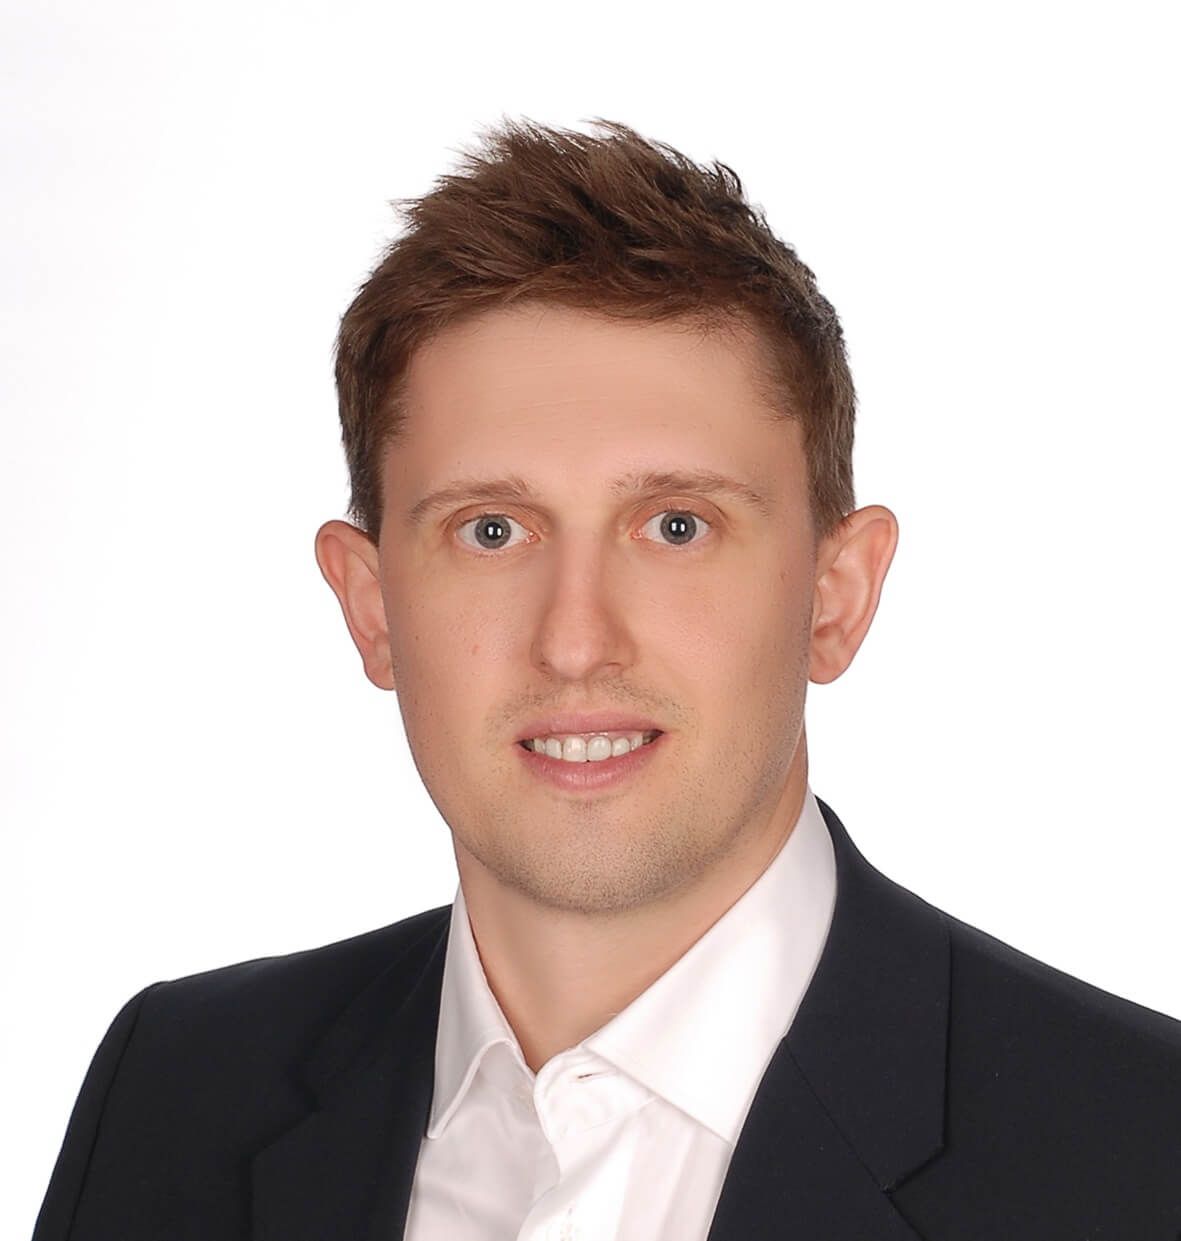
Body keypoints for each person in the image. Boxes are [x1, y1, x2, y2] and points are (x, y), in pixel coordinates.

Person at [33, 117, 1181, 1241]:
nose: (575, 641)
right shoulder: (174, 1089)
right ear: (371, 607)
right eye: (491, 530)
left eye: (676, 525)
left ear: (834, 596)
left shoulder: (1143, 1148)